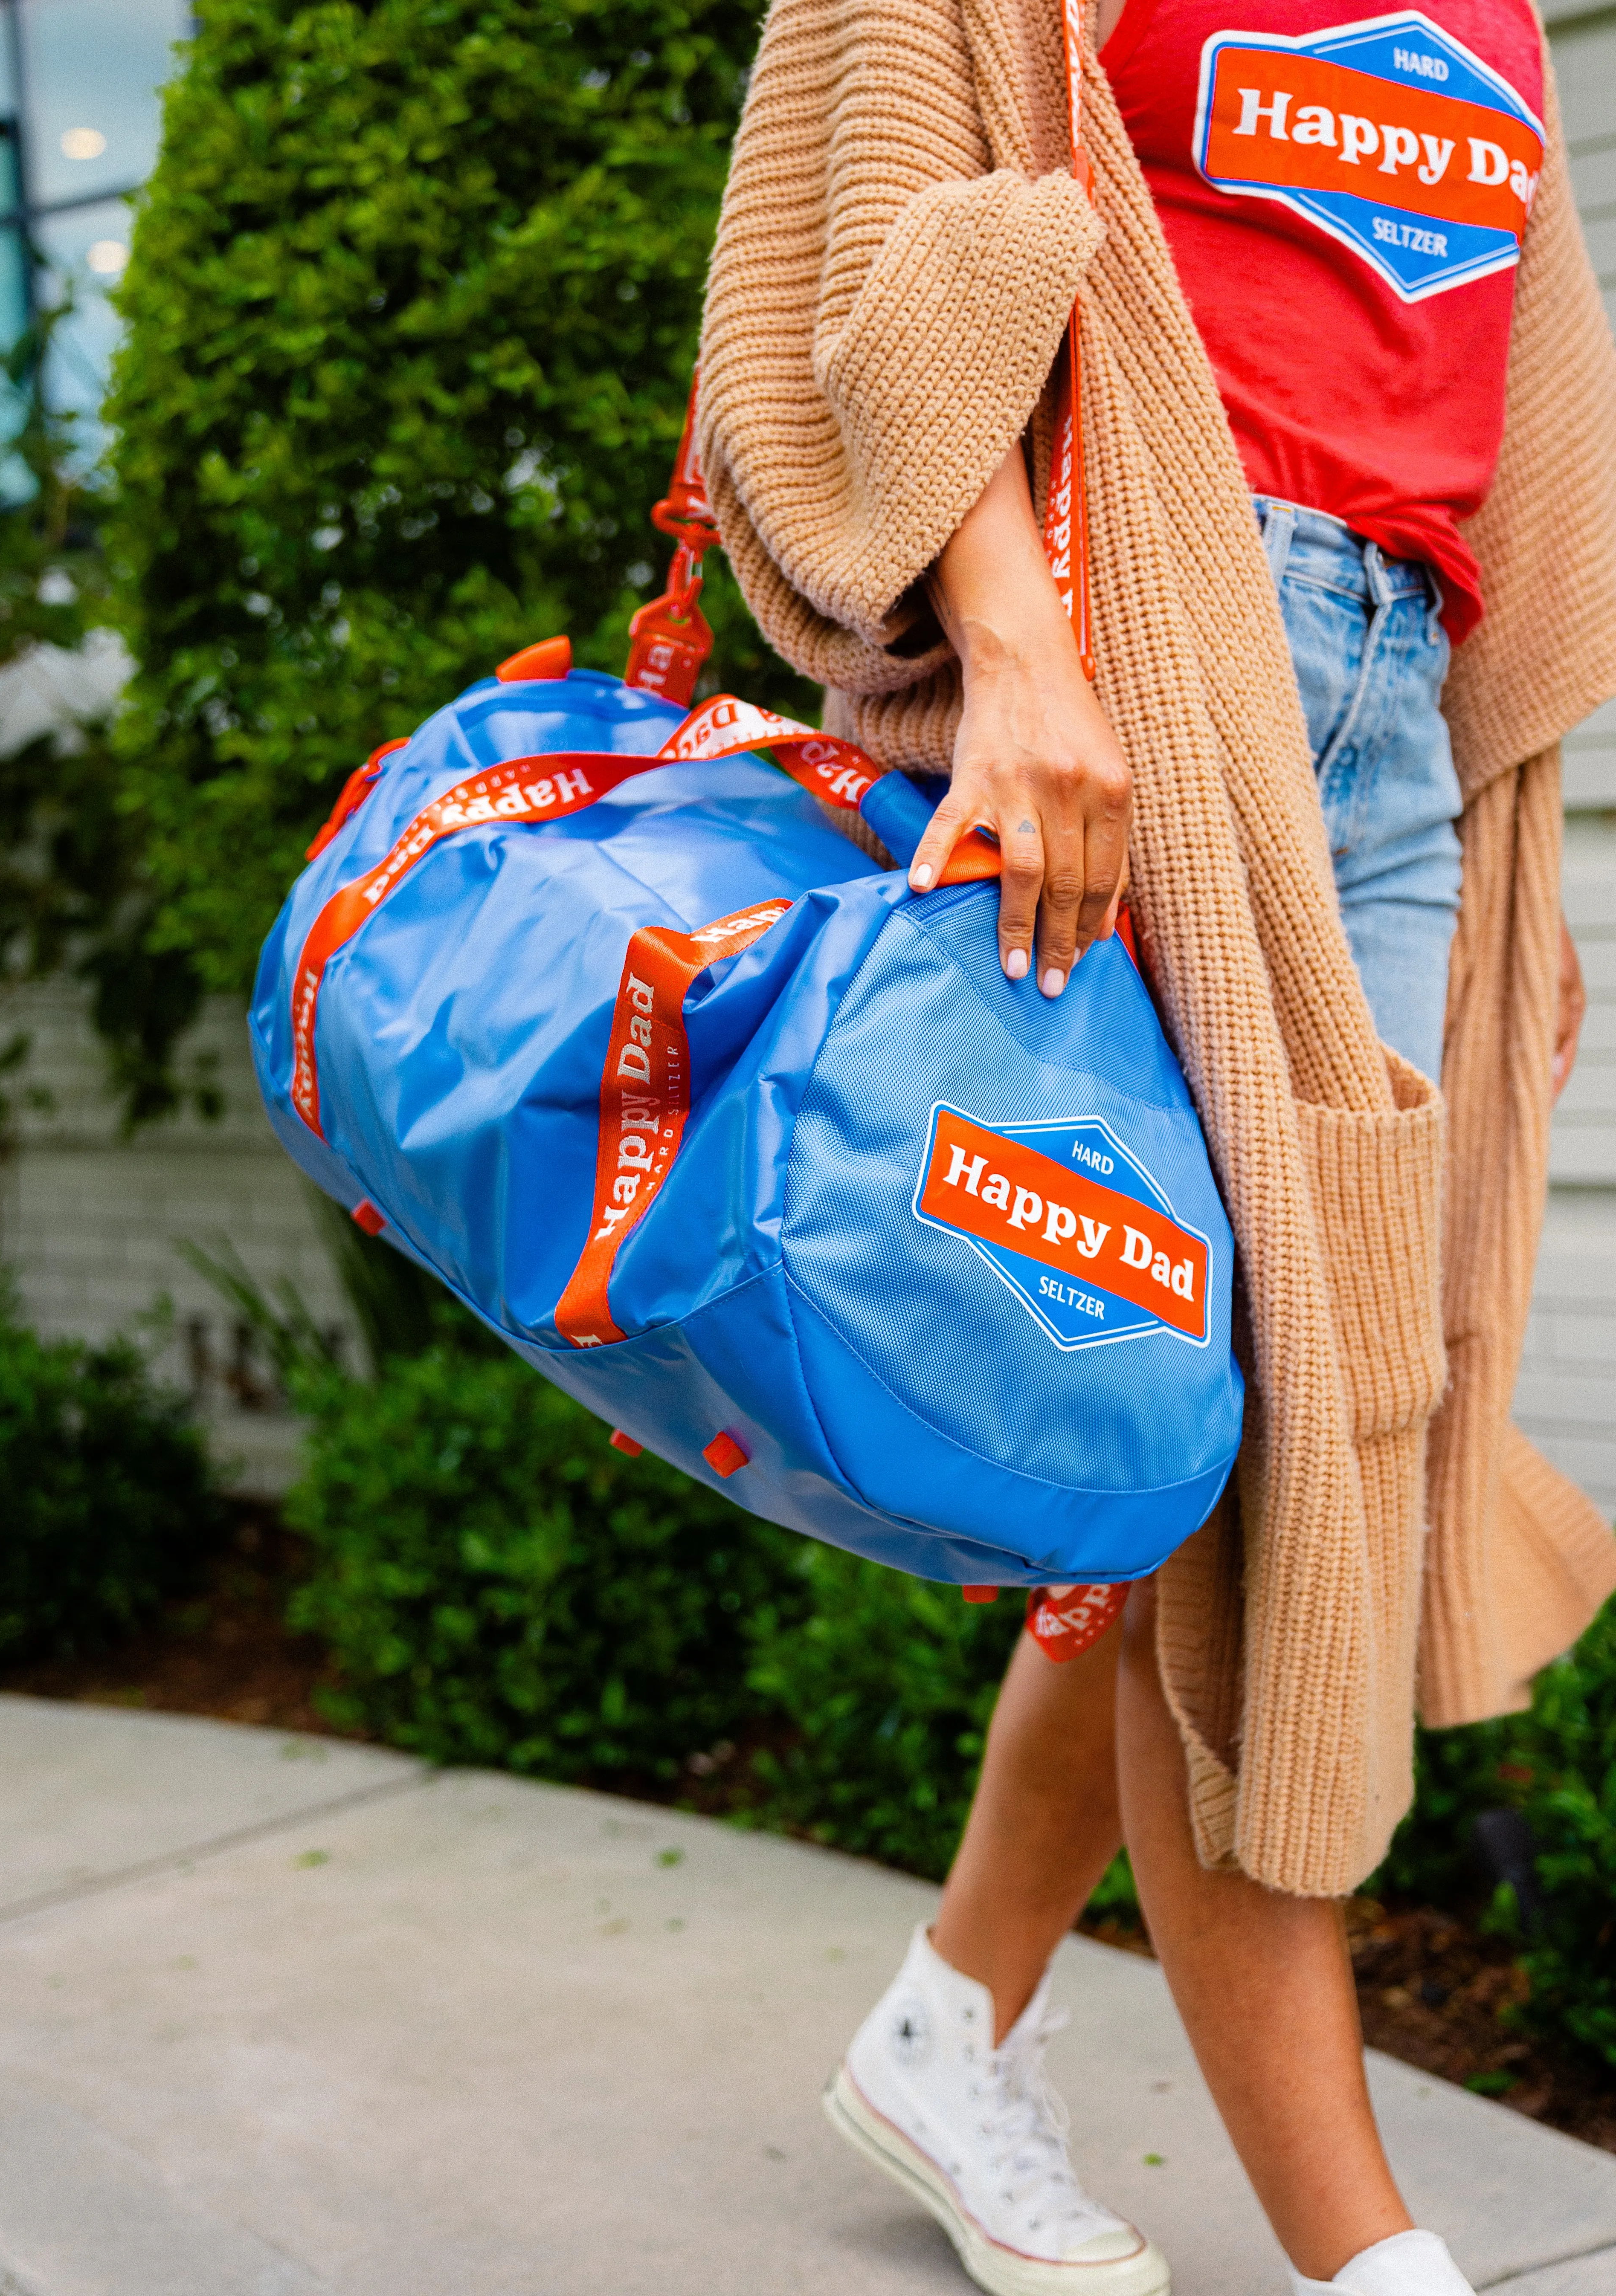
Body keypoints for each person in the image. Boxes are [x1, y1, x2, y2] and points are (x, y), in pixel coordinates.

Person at [696, 0, 1616, 2291]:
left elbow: (1482, 394)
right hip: (1147, 666)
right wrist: (1006, 634)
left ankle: (950, 2019)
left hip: (1392, 698)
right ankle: (1363, 2251)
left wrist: (1513, 873)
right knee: (1269, 1479)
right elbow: (879, 195)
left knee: (1195, 1431)